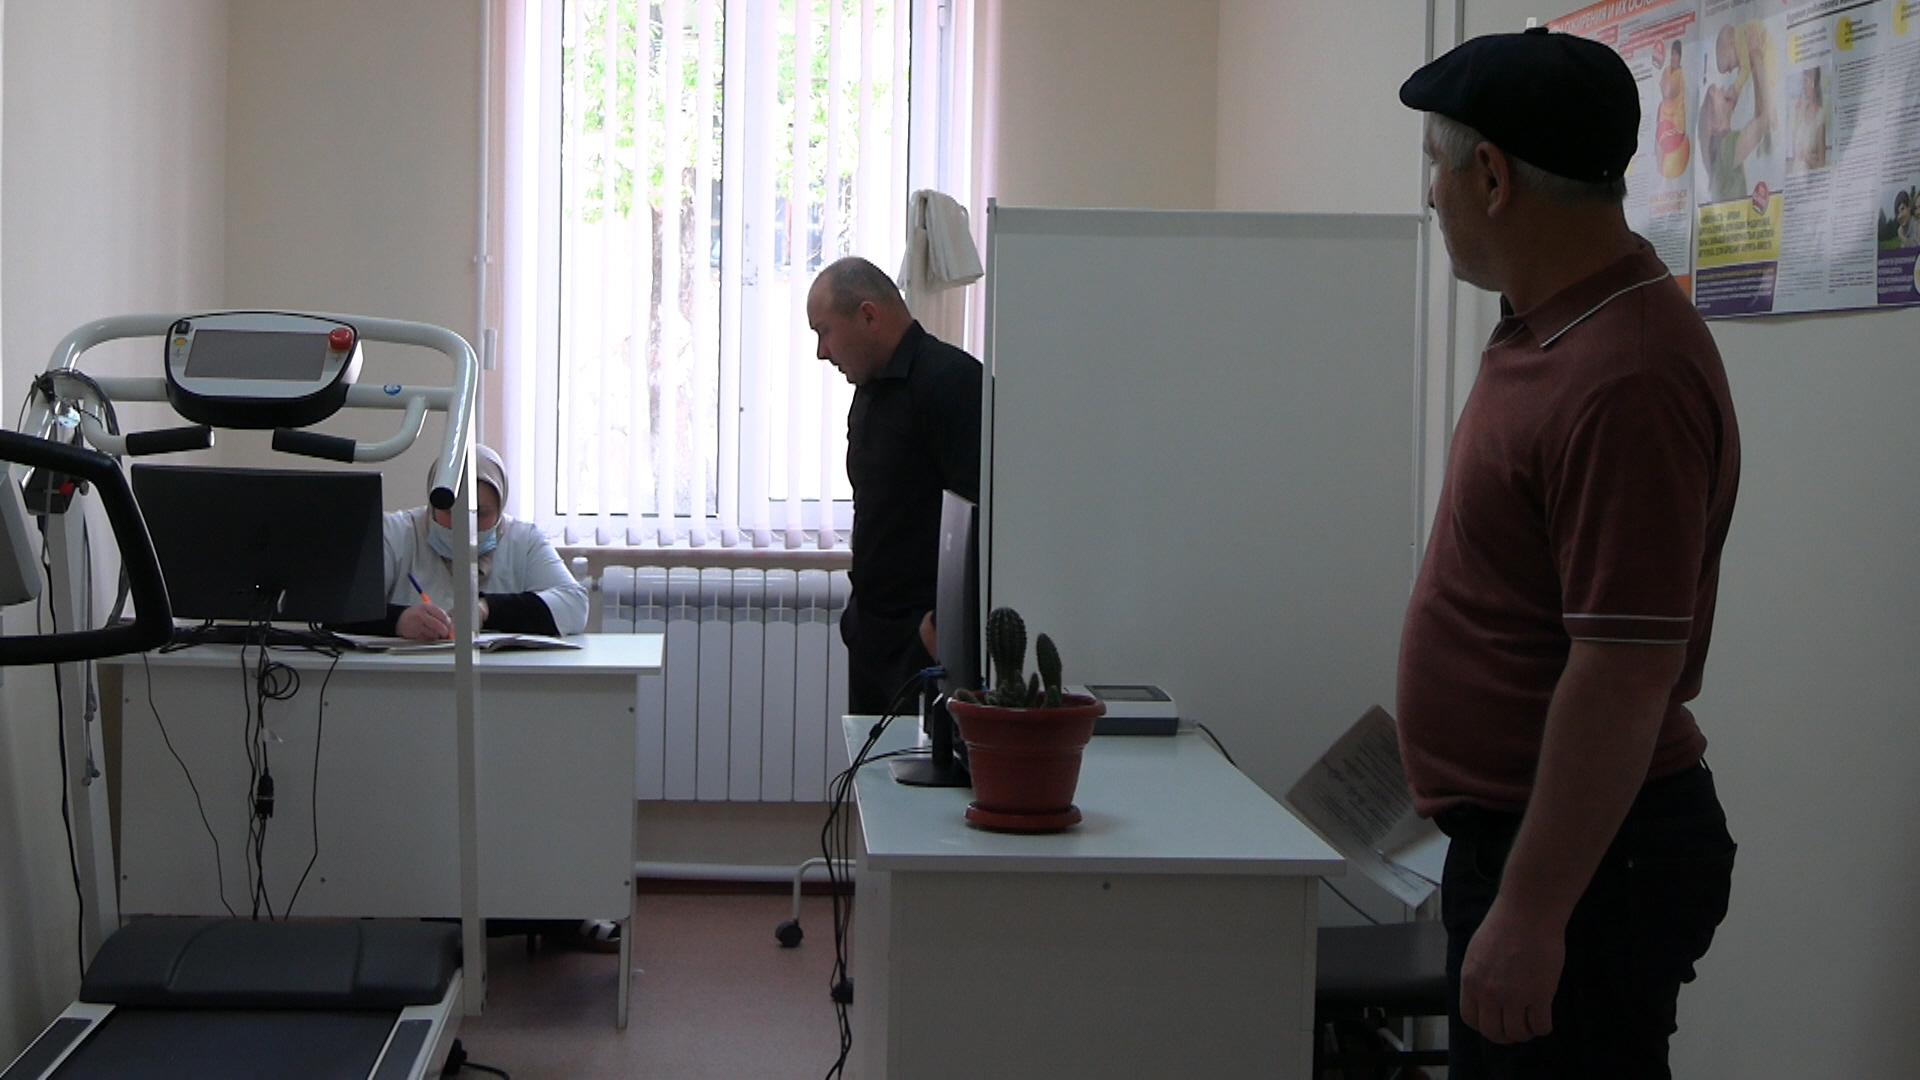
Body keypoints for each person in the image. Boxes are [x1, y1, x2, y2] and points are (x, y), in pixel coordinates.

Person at [1398, 28, 1741, 1076]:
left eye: (1435, 167)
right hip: (1540, 848)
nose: (1430, 198)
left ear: (1491, 176)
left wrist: (1533, 912)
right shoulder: (1550, 325)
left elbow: (1624, 674)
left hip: (1589, 869)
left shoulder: (1626, 376)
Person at [806, 255, 981, 715]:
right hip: (871, 635)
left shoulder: (952, 382)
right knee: (867, 758)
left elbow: (982, 516)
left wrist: (943, 625)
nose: (821, 352)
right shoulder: (869, 390)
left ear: (869, 316)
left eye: (824, 331)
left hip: (923, 642)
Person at [357, 444, 587, 642]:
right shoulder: (395, 533)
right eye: (449, 511)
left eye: (480, 514)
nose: (463, 525)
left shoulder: (524, 540)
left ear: (499, 510)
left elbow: (574, 605)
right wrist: (399, 620)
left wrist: (486, 609)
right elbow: (346, 610)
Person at [1699, 25, 1774, 205]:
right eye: (1716, 92)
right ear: (1714, 124)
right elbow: (1765, 119)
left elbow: (1760, 116)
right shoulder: (1725, 147)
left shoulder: (1721, 153)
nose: (1723, 88)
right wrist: (1756, 56)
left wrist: (1755, 65)